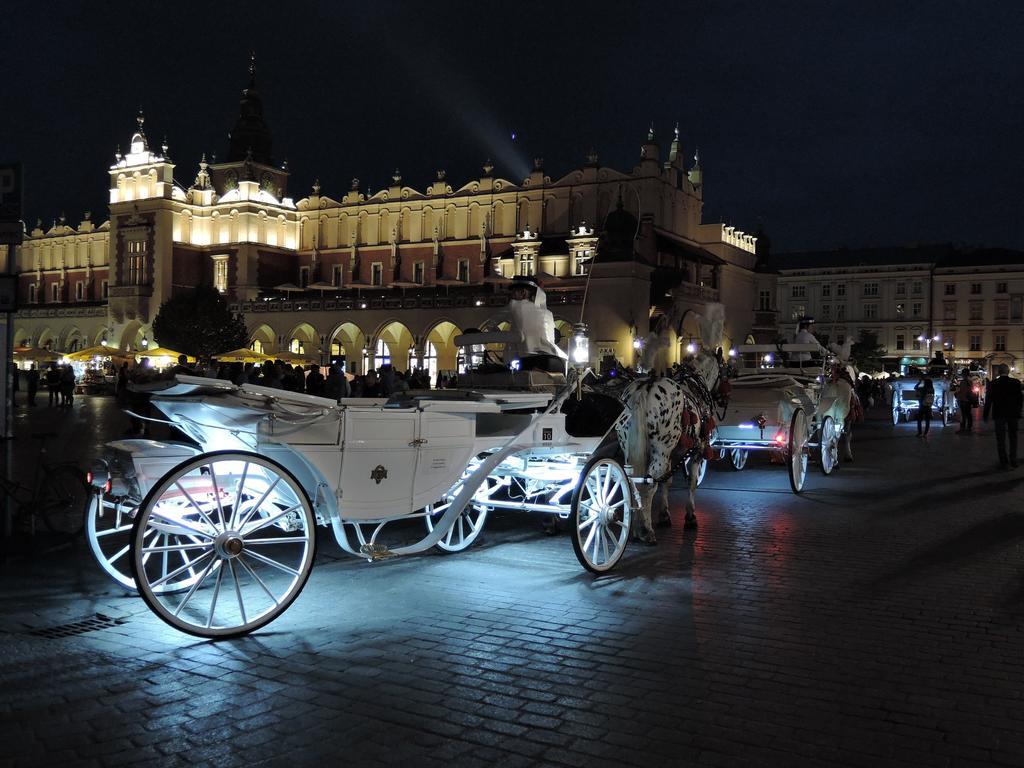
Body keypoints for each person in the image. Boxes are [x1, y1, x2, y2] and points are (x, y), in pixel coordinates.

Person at [495, 275, 568, 373]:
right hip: (556, 362)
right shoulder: (548, 313)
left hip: (532, 362)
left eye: (514, 291)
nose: (511, 295)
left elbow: (492, 321)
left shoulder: (514, 306)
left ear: (523, 292)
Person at [983, 363, 1022, 469]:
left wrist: (985, 414)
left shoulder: (993, 383)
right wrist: (1019, 411)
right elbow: (1020, 399)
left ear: (998, 372)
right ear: (1008, 371)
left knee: (1001, 439)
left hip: (999, 413)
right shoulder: (1016, 382)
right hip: (1013, 414)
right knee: (1013, 437)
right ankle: (1013, 459)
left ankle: (1004, 462)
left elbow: (988, 400)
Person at [914, 372, 934, 436]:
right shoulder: (931, 387)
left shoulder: (922, 386)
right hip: (928, 405)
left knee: (919, 419)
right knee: (927, 420)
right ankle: (925, 433)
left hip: (922, 404)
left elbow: (916, 387)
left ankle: (920, 432)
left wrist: (919, 382)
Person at [956, 368, 975, 434]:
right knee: (968, 414)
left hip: (964, 400)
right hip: (968, 400)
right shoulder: (970, 381)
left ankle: (963, 428)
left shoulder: (964, 382)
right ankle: (969, 427)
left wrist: (957, 394)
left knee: (963, 415)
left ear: (964, 374)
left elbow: (962, 391)